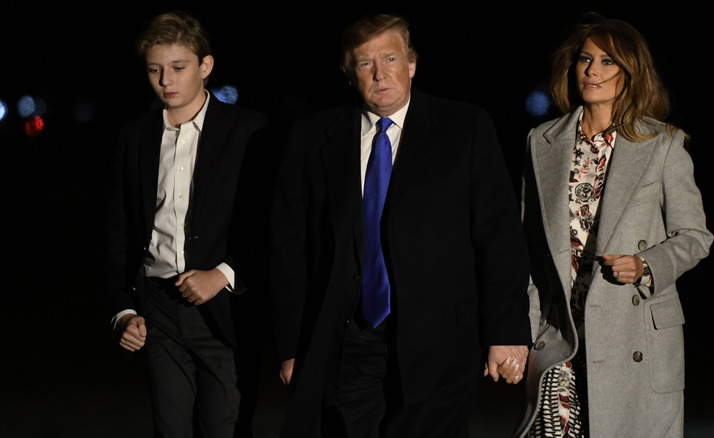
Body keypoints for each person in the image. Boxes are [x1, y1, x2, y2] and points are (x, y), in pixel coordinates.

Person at [270, 13, 531, 438]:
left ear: (411, 63)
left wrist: (506, 331)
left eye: (390, 59)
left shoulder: (464, 128)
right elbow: (289, 251)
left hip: (442, 341)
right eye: (364, 63)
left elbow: (499, 237)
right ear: (348, 73)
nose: (379, 74)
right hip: (348, 342)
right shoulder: (312, 138)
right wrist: (291, 348)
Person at [515, 12, 714, 437]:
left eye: (608, 62)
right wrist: (522, 335)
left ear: (630, 73)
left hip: (633, 333)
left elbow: (696, 236)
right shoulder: (542, 142)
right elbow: (526, 253)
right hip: (560, 338)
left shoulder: (662, 143)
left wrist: (646, 265)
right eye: (585, 60)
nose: (592, 71)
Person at [104, 11, 267, 438]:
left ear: (205, 66)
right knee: (169, 429)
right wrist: (123, 309)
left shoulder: (248, 129)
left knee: (224, 428)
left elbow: (268, 224)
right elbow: (119, 231)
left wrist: (224, 273)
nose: (166, 80)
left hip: (222, 309)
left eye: (178, 68)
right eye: (155, 70)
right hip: (158, 308)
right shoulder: (135, 136)